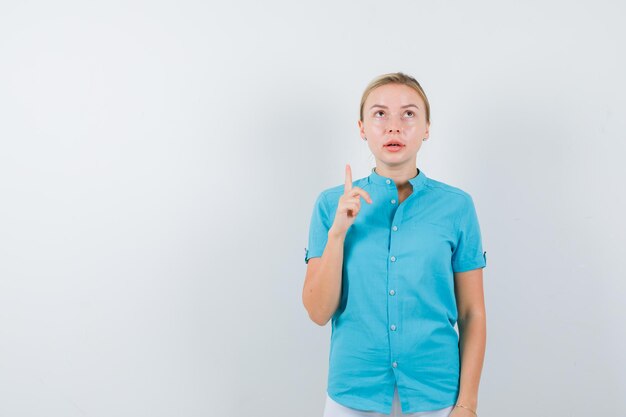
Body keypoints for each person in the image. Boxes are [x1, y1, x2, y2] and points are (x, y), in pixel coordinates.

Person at [302, 72, 487, 417]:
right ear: (362, 127)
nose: (394, 127)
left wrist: (467, 404)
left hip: (437, 398)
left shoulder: (457, 207)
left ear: (427, 128)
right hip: (352, 397)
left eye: (409, 114)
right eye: (380, 114)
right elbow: (317, 312)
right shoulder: (331, 204)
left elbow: (472, 313)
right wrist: (337, 234)